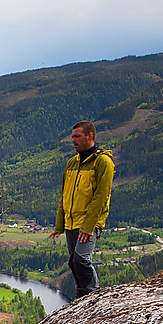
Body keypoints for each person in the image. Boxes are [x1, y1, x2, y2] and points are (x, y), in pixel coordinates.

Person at [50, 121, 115, 298]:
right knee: (73, 262)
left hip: (89, 223)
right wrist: (59, 225)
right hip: (71, 222)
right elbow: (64, 195)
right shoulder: (72, 163)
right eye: (72, 137)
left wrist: (88, 227)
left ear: (90, 136)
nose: (73, 140)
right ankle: (82, 292)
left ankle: (93, 293)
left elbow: (101, 198)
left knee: (81, 259)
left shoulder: (103, 162)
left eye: (77, 136)